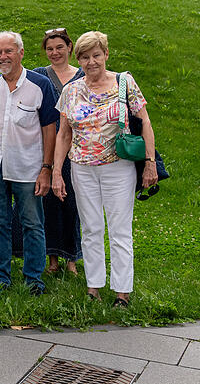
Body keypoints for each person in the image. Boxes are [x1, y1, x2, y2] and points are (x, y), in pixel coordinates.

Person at [53, 31, 157, 307]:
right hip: (82, 168)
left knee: (119, 229)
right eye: (85, 57)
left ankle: (122, 293)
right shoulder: (71, 90)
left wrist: (150, 162)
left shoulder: (124, 83)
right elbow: (63, 134)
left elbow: (144, 121)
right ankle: (93, 287)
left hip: (117, 167)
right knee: (90, 227)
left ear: (106, 55)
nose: (91, 62)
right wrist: (55, 173)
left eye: (96, 55)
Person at [0, 31, 58, 295]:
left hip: (28, 169)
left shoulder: (40, 85)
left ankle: (34, 280)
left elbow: (49, 130)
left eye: (8, 51)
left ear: (21, 53)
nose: (2, 56)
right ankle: (1, 278)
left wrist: (46, 169)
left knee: (32, 224)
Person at [32, 28, 84, 275]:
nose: (55, 53)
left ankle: (72, 259)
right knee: (50, 204)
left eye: (59, 47)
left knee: (73, 204)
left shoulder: (83, 75)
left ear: (69, 47)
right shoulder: (40, 75)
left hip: (81, 149)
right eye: (50, 49)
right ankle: (52, 259)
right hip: (50, 146)